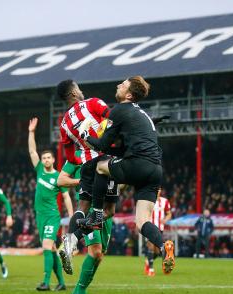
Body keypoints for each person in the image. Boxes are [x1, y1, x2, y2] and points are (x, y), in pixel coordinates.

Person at [78, 76, 176, 274]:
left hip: (138, 164)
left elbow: (103, 145)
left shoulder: (120, 109)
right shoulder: (141, 114)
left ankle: (96, 215)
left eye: (122, 85)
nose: (118, 85)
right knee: (142, 222)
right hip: (155, 170)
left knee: (100, 167)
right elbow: (121, 149)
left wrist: (86, 135)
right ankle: (164, 246)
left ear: (129, 95)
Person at [55, 79, 120, 274]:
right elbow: (113, 119)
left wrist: (83, 152)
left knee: (82, 207)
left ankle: (69, 242)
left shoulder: (64, 123)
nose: (81, 90)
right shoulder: (92, 103)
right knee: (108, 210)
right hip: (105, 162)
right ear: (74, 92)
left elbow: (68, 157)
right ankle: (75, 239)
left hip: (86, 164)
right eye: (78, 88)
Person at [56, 153, 114, 294]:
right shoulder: (78, 154)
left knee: (99, 256)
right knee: (94, 251)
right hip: (88, 208)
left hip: (106, 210)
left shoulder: (109, 154)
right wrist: (84, 182)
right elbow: (61, 180)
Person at [28, 117, 74, 291]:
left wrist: (71, 215)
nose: (46, 160)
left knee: (46, 246)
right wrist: (31, 132)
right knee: (52, 248)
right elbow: (32, 151)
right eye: (44, 158)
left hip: (52, 215)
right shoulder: (39, 170)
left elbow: (67, 197)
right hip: (40, 215)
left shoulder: (59, 177)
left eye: (48, 158)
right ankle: (61, 283)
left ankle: (46, 282)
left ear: (53, 160)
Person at [144, 188, 172, 276]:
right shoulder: (148, 201)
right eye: (156, 189)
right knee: (151, 246)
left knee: (157, 252)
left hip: (160, 229)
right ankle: (151, 269)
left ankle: (148, 261)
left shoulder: (165, 201)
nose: (157, 191)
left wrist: (165, 219)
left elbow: (169, 213)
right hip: (150, 227)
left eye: (159, 189)